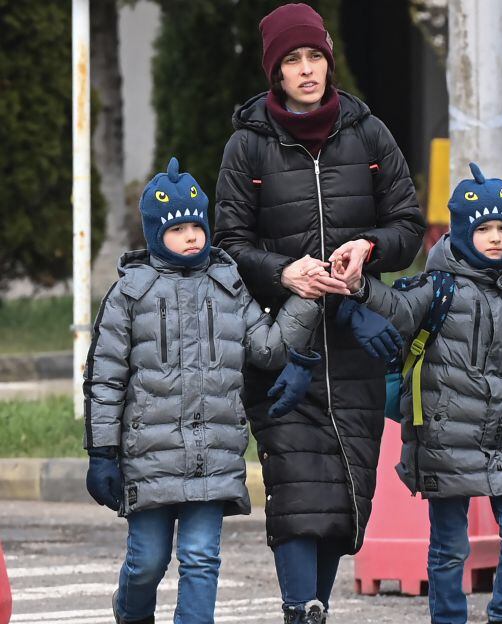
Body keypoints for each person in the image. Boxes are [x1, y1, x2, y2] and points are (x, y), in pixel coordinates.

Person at [213, 4, 425, 622]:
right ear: (274, 72)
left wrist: (370, 248)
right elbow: (227, 244)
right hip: (283, 346)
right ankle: (296, 607)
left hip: (359, 345)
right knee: (298, 491)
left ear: (328, 60)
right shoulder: (246, 146)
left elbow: (408, 225)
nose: (305, 71)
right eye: (291, 61)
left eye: (314, 57)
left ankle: (315, 609)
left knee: (347, 490)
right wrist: (283, 272)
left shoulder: (369, 134)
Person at [83, 157, 321, 624]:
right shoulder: (130, 294)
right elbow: (105, 379)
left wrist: (306, 301)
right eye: (177, 228)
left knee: (200, 559)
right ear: (155, 234)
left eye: (197, 224)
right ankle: (130, 612)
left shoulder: (228, 284)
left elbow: (268, 349)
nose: (191, 235)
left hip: (213, 455)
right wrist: (102, 453)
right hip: (148, 458)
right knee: (147, 562)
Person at [344, 163, 502, 624]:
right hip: (444, 441)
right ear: (462, 231)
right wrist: (361, 285)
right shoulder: (438, 286)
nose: (494, 238)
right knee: (449, 546)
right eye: (483, 228)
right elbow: (398, 308)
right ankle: (448, 618)